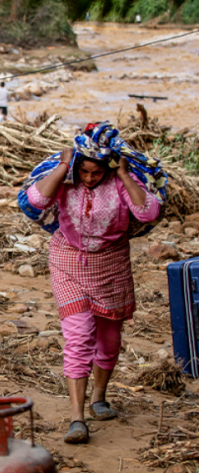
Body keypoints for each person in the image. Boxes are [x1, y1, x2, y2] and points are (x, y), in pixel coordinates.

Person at [25, 137, 161, 445]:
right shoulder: (66, 181)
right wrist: (63, 166)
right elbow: (35, 201)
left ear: (107, 169)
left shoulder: (119, 183)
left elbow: (148, 213)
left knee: (109, 341)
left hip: (111, 266)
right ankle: (77, 418)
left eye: (95, 173)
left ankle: (98, 398)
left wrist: (124, 174)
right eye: (83, 171)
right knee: (78, 337)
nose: (88, 178)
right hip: (67, 261)